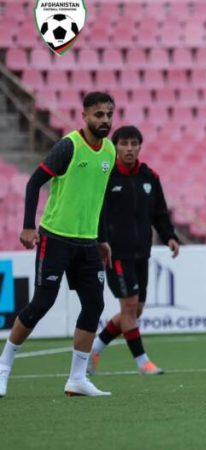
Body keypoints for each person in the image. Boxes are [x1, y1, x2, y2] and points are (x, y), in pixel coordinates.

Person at [0, 92, 116, 397]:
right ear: (85, 116)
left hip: (88, 243)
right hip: (56, 238)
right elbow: (34, 182)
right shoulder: (69, 146)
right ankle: (3, 367)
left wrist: (102, 238)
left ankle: (77, 378)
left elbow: (98, 199)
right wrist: (28, 225)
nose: (105, 121)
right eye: (99, 115)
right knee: (42, 304)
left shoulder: (109, 152)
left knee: (94, 304)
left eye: (109, 115)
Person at [88, 126, 180, 376]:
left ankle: (93, 349)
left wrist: (169, 236)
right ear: (115, 147)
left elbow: (160, 212)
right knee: (129, 308)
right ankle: (143, 363)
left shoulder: (150, 176)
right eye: (124, 143)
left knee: (135, 311)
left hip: (142, 253)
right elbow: (96, 213)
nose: (129, 148)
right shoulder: (106, 177)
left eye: (133, 143)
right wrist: (100, 242)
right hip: (115, 254)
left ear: (140, 146)